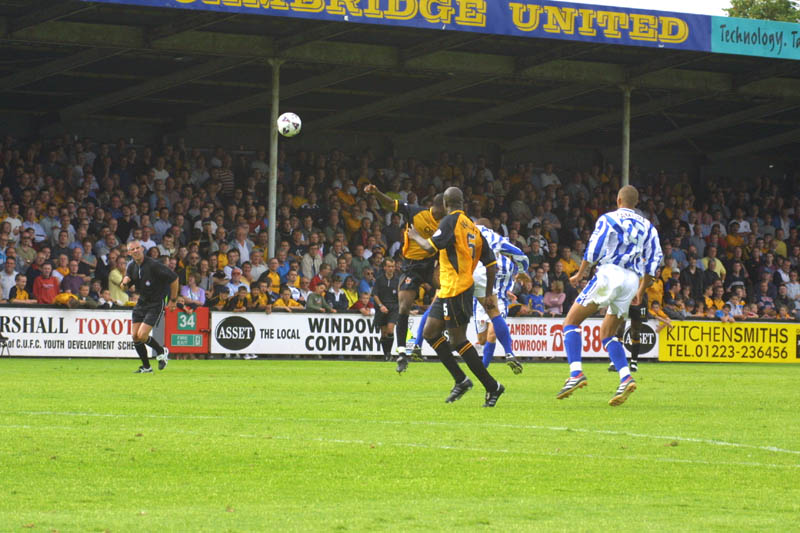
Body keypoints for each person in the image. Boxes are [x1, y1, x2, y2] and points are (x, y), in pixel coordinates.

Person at [556, 185, 662, 407]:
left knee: (571, 322)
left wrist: (580, 273)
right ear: (636, 203)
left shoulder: (608, 219)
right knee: (608, 332)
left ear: (618, 199)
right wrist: (641, 292)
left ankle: (575, 373)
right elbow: (653, 263)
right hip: (631, 281)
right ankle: (625, 377)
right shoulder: (649, 227)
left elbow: (594, 248)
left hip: (610, 274)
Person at [407, 186, 505, 407]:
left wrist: (414, 235)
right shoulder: (472, 226)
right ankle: (461, 380)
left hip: (457, 289)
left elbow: (429, 248)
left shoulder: (450, 222)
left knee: (458, 340)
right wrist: (489, 293)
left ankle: (492, 387)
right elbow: (491, 264)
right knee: (430, 332)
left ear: (445, 204)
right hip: (448, 289)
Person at [365, 184, 446, 371]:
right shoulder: (416, 212)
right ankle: (402, 352)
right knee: (404, 306)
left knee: (448, 288)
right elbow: (390, 204)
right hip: (412, 266)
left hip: (432, 263)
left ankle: (445, 330)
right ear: (439, 206)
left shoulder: (446, 222)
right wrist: (377, 192)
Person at [468, 219, 528, 373]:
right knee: (482, 339)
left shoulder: (509, 265)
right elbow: (520, 255)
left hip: (498, 299)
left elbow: (509, 283)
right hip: (479, 299)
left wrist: (509, 291)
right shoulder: (490, 245)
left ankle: (490, 365)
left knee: (492, 333)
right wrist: (522, 271)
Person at [120, 240, 179, 373]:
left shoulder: (154, 265)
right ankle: (146, 367)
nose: (136, 251)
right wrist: (124, 283)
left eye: (137, 248)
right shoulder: (131, 266)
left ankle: (161, 351)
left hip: (156, 302)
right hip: (142, 302)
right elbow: (124, 287)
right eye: (132, 249)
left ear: (142, 249)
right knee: (135, 336)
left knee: (142, 335)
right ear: (129, 253)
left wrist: (173, 300)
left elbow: (174, 278)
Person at [609, 291, 648, 373]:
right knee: (619, 330)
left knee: (635, 331)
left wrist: (640, 290)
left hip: (638, 297)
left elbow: (650, 281)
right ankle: (616, 361)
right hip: (624, 295)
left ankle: (634, 361)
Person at [371, 258, 400, 361]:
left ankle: (389, 353)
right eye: (389, 266)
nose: (391, 269)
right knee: (383, 333)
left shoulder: (398, 280)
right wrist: (381, 306)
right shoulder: (379, 280)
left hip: (394, 307)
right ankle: (386, 354)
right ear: (384, 267)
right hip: (382, 308)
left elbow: (401, 295)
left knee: (390, 330)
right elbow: (374, 294)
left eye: (393, 266)